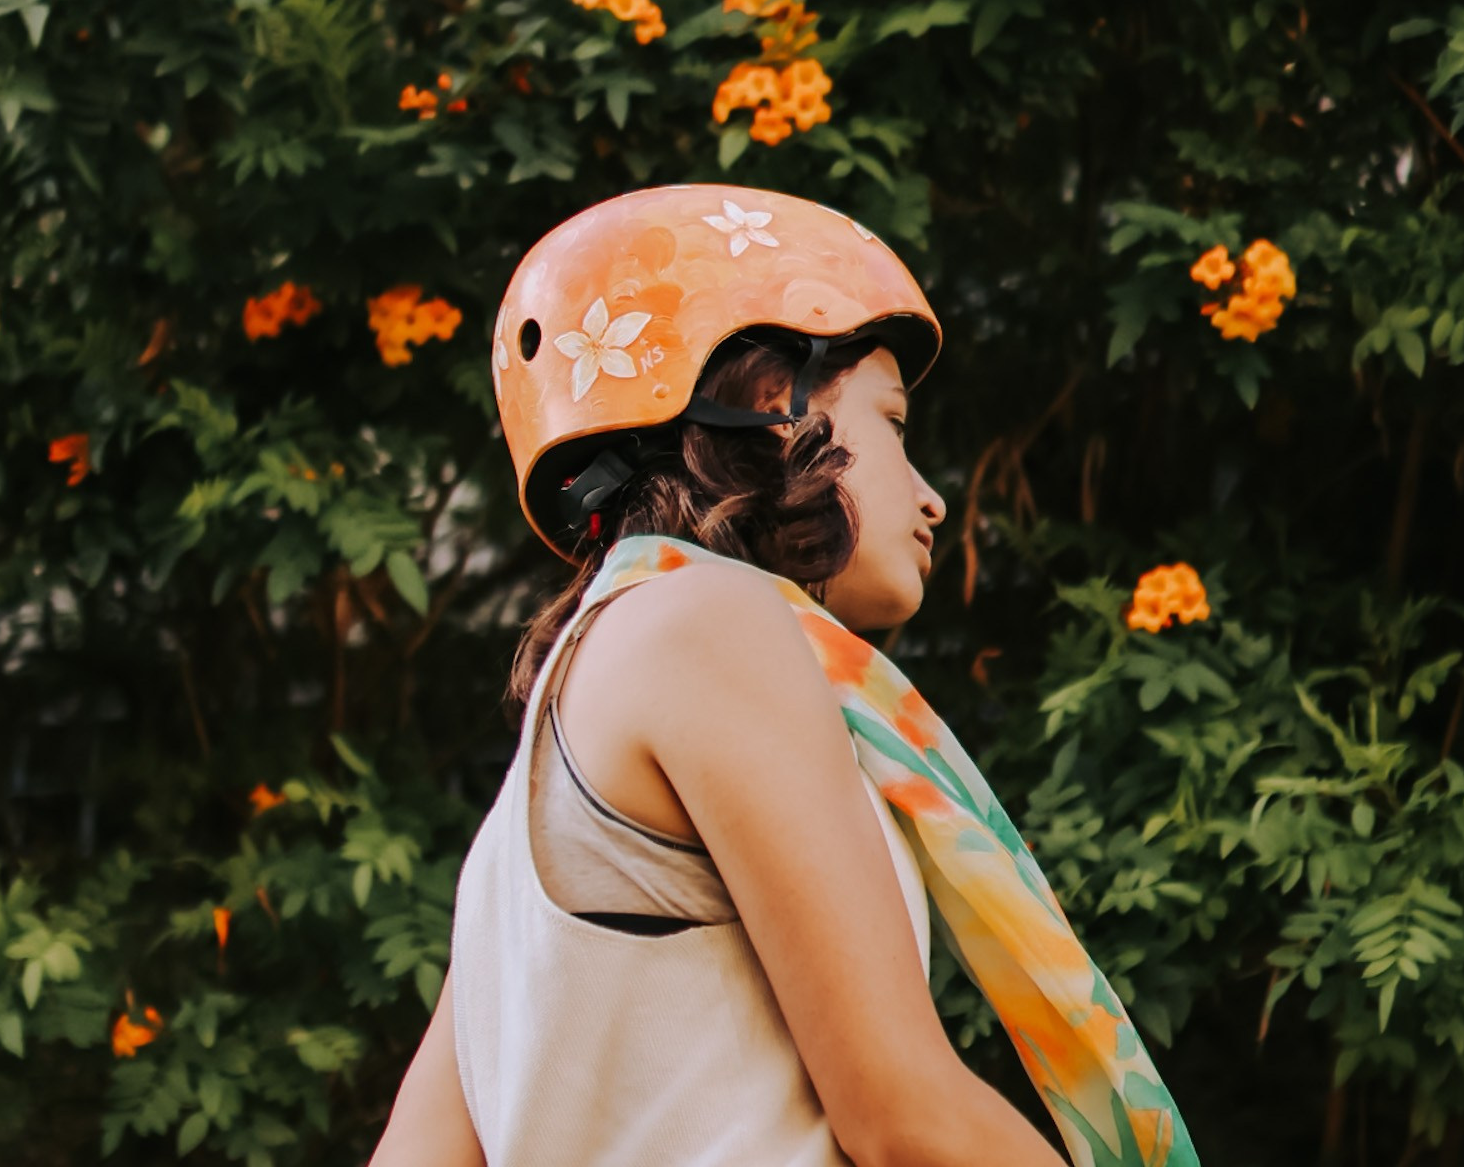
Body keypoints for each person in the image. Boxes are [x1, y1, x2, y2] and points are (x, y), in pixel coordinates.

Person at [369, 184, 1196, 1167]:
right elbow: (902, 1115)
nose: (932, 498)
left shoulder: (527, 803)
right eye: (892, 421)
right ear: (773, 405)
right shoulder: (709, 621)